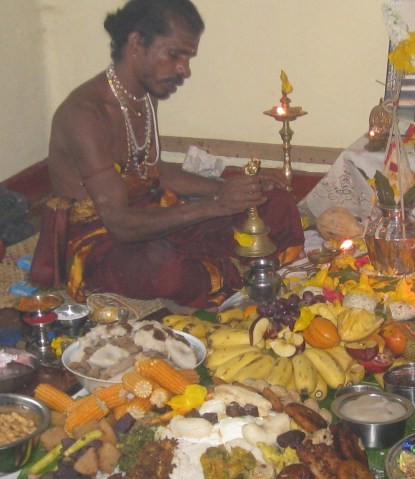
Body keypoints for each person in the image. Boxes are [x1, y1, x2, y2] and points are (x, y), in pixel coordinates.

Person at [30, 0, 304, 308]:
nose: (184, 70)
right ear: (136, 44)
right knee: (168, 269)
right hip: (103, 238)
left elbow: (153, 171)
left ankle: (233, 267)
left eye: (188, 58)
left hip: (153, 216)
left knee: (276, 204)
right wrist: (215, 206)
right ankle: (224, 273)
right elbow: (119, 223)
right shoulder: (84, 114)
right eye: (175, 55)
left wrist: (231, 189)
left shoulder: (143, 95)